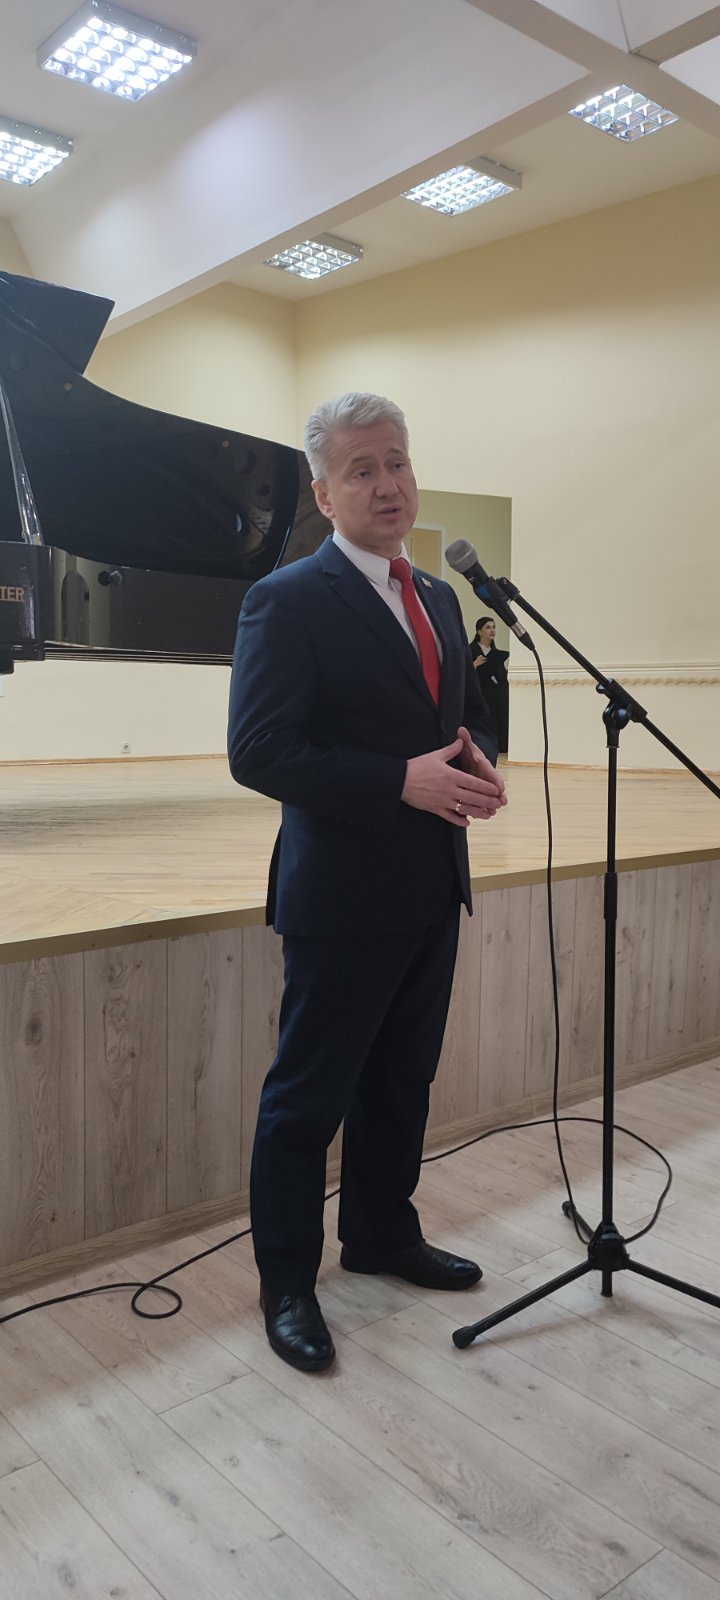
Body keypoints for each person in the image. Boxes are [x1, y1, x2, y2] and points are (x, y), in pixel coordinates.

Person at [227, 392, 507, 1373]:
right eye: (362, 469)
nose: (388, 484)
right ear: (324, 492)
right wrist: (400, 780)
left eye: (397, 461)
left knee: (401, 1082)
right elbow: (259, 750)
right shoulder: (287, 599)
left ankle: (382, 1233)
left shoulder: (437, 595)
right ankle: (287, 1283)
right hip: (342, 897)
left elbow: (462, 716)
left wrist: (477, 759)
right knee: (308, 1100)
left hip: (433, 883)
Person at [471, 616, 509, 752]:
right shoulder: (470, 650)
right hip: (477, 692)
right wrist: (474, 664)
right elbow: (463, 673)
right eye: (488, 627)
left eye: (493, 627)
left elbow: (502, 678)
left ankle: (501, 745)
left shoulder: (497, 654)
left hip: (495, 694)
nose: (492, 630)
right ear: (479, 631)